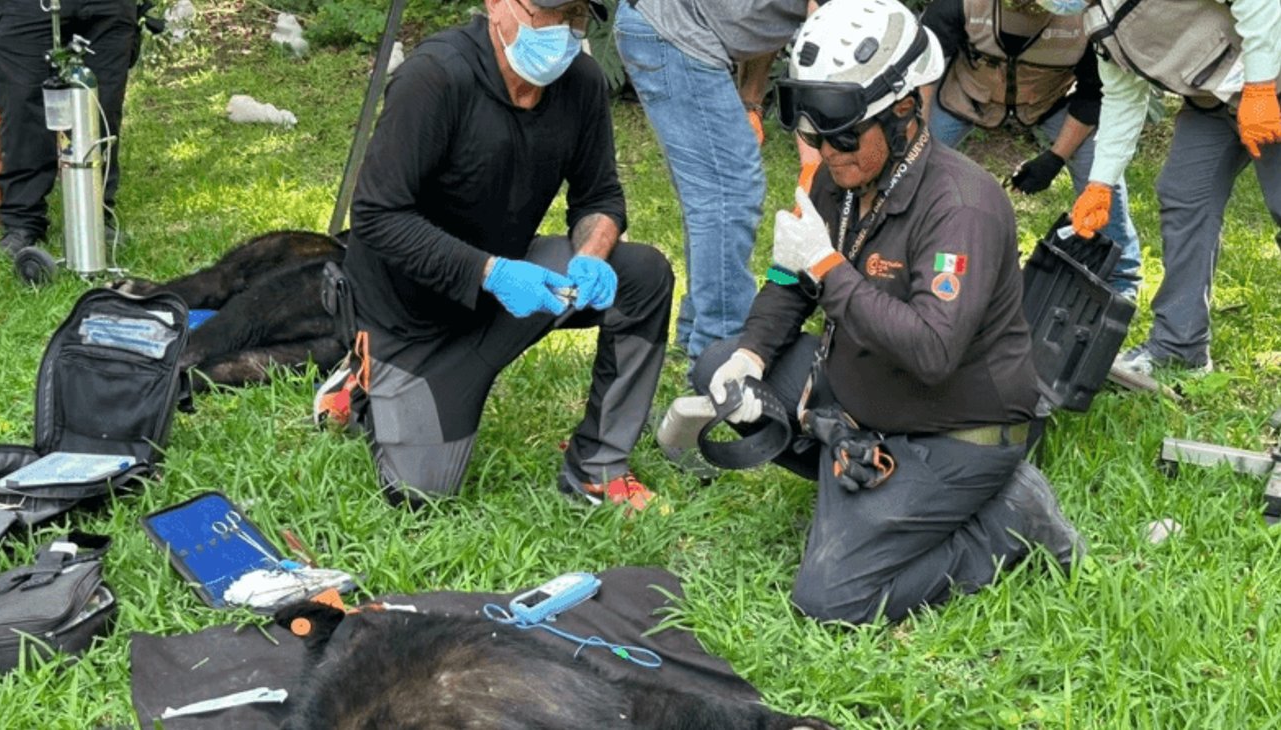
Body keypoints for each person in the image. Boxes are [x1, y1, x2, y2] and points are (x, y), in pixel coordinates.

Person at [695, 0, 1083, 624]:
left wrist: (828, 269)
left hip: (953, 430)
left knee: (829, 602)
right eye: (814, 131)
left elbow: (933, 351)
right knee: (718, 367)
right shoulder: (838, 178)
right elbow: (788, 281)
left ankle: (1004, 525)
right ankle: (864, 486)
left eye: (844, 131)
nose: (828, 148)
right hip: (868, 396)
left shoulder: (963, 207)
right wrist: (750, 354)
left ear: (905, 112)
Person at [342, 0, 674, 511]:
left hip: (506, 291)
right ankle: (360, 377)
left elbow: (601, 196)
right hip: (412, 320)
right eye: (548, 14)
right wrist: (487, 272)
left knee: (643, 275)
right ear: (497, 4)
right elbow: (377, 215)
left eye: (577, 17)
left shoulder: (580, 82)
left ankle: (597, 467)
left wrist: (591, 253)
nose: (563, 32)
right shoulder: (434, 77)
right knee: (420, 494)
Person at [1057, 0, 1281, 376]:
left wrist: (1260, 87)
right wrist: (1100, 183)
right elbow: (1123, 97)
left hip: (1270, 75)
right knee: (1182, 195)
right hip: (1214, 101)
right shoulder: (1099, 23)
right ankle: (1179, 346)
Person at [614, 0, 817, 364]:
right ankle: (719, 359)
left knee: (711, 198)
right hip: (676, 33)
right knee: (729, 196)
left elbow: (769, 23)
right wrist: (814, 155)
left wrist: (751, 100)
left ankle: (696, 336)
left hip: (665, 28)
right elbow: (826, 44)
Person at [919, 0, 1141, 300]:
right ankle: (895, 252)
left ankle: (1120, 279)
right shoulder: (957, 5)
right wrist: (916, 136)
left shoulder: (1091, 17)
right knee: (911, 162)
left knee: (1099, 168)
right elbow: (923, 75)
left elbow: (1093, 94)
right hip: (966, 97)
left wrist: (1055, 157)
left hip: (1047, 102)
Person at [0, 0, 137, 256]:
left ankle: (96, 215)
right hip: (24, 7)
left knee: (101, 106)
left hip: (108, 7)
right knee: (23, 109)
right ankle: (23, 222)